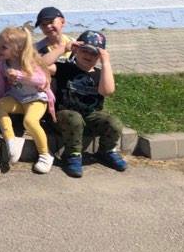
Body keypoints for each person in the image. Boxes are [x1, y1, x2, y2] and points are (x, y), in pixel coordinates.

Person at [51, 30, 127, 177]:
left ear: (99, 56)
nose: (88, 55)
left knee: (114, 122)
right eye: (85, 50)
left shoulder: (99, 74)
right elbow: (39, 65)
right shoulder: (64, 68)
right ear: (76, 49)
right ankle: (72, 154)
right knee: (74, 118)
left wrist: (106, 62)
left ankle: (106, 151)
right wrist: (63, 48)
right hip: (64, 117)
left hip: (90, 117)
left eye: (94, 53)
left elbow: (108, 91)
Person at [0, 27, 55, 174]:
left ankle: (45, 154)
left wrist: (20, 75)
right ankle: (11, 140)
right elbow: (1, 88)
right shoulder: (0, 65)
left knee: (29, 122)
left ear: (18, 49)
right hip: (17, 98)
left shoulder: (29, 61)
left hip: (36, 99)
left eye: (4, 47)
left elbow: (41, 80)